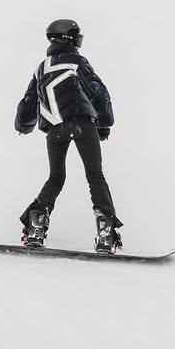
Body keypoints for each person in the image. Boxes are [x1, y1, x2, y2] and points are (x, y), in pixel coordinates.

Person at [15, 19, 123, 253]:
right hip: (82, 124)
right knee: (95, 176)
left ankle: (36, 225)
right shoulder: (76, 62)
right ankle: (105, 233)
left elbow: (27, 106)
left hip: (55, 130)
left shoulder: (41, 68)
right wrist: (105, 122)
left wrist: (24, 126)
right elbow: (98, 92)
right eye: (78, 38)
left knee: (55, 178)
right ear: (69, 39)